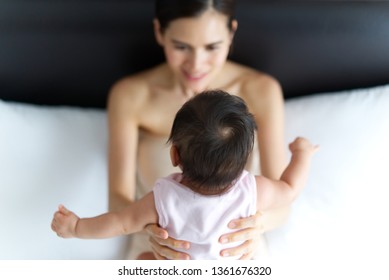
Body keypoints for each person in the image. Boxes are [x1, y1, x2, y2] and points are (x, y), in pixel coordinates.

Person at [108, 0, 288, 260]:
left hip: (236, 246)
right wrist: (152, 230)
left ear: (231, 33)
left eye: (212, 47)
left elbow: (283, 199)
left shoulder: (260, 91)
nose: (196, 64)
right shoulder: (132, 96)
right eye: (181, 47)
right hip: (159, 245)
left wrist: (257, 225)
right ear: (160, 32)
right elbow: (117, 199)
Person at [51, 90, 318, 260]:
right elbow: (290, 188)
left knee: (144, 260)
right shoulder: (253, 190)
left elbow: (119, 222)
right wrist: (301, 154)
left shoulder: (162, 199)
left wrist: (76, 227)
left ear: (175, 155)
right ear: (244, 162)